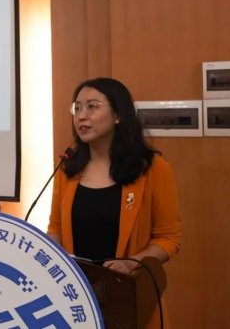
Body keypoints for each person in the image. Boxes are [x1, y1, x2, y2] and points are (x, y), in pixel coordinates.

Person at [47, 78, 181, 329]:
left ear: (118, 114)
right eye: (77, 108)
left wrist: (133, 262)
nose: (81, 116)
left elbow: (168, 238)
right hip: (76, 299)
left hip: (127, 299)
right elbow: (56, 229)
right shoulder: (67, 169)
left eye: (92, 106)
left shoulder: (152, 169)